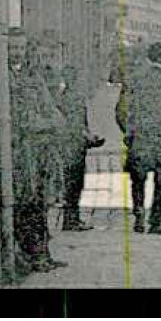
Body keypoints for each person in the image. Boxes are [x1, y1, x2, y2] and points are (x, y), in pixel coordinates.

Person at [117, 41, 161, 235]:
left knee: (138, 179)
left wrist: (128, 131)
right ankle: (155, 222)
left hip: (138, 136)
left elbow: (121, 110)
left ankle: (139, 217)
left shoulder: (134, 79)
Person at [10, 38, 65, 272]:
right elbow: (21, 121)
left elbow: (56, 116)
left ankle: (43, 253)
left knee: (41, 203)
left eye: (21, 48)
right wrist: (46, 123)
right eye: (12, 48)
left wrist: (46, 122)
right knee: (26, 202)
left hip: (42, 151)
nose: (17, 53)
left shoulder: (34, 77)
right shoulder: (6, 79)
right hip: (22, 153)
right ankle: (31, 255)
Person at [53, 62, 97, 232]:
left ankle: (72, 219)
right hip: (72, 145)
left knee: (73, 183)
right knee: (73, 183)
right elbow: (73, 124)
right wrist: (87, 136)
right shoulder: (70, 98)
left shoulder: (67, 96)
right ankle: (71, 220)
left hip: (74, 144)